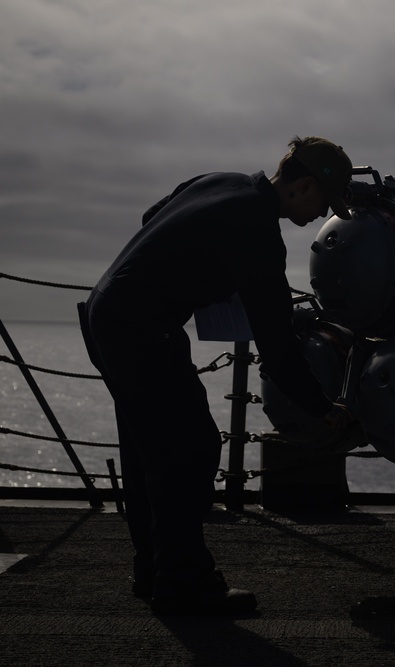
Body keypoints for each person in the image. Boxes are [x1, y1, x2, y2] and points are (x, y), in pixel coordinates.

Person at [79, 136, 353, 615]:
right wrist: (321, 407)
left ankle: (155, 572)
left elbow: (152, 217)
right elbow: (277, 343)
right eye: (324, 201)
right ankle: (186, 585)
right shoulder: (257, 234)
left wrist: (203, 271)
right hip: (143, 330)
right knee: (193, 450)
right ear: (303, 185)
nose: (321, 213)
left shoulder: (218, 181)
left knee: (150, 454)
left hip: (107, 313)